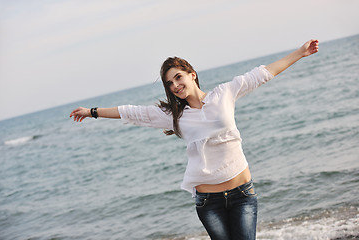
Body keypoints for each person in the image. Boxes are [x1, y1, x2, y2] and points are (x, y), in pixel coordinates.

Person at [70, 39, 319, 240]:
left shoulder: (224, 94)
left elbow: (262, 74)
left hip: (242, 194)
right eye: (170, 83)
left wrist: (300, 52)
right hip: (208, 203)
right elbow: (131, 112)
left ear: (192, 74)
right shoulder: (173, 116)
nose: (175, 85)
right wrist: (92, 112)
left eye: (178, 77)